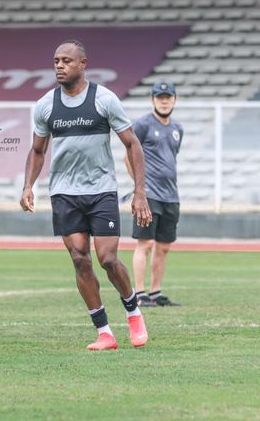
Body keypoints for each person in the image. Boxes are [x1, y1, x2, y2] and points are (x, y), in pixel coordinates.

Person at [20, 39, 153, 350]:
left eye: (66, 61)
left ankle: (133, 312)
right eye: (56, 61)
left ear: (83, 64)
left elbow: (132, 144)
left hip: (101, 190)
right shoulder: (45, 106)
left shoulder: (104, 100)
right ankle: (104, 332)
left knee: (107, 259)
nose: (59, 66)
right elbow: (38, 150)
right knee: (80, 258)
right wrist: (28, 185)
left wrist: (140, 193)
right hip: (65, 193)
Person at [125, 81, 183, 307]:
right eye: (160, 97)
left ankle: (156, 291)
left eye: (168, 97)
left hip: (171, 196)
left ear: (175, 100)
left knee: (164, 246)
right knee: (145, 244)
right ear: (152, 100)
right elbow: (127, 156)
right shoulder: (142, 125)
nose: (164, 101)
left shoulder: (178, 129)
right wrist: (140, 187)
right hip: (149, 195)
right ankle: (139, 294)